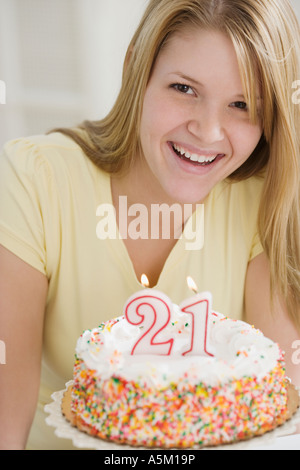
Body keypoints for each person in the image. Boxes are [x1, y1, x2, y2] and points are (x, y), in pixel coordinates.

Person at [0, 0, 300, 450]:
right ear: (136, 70)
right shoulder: (34, 178)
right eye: (183, 88)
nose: (208, 131)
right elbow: (6, 419)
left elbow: (281, 411)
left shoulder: (261, 199)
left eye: (242, 105)